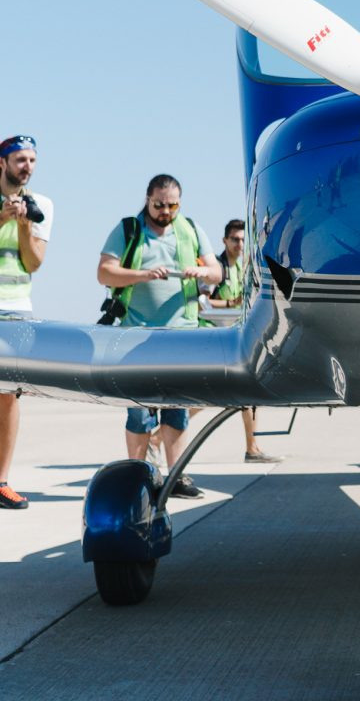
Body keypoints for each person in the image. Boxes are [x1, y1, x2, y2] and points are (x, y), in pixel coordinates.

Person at [97, 174, 222, 499]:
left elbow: (217, 271)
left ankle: (176, 476)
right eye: (159, 205)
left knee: (177, 410)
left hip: (181, 337)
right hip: (135, 338)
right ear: (147, 199)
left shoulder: (191, 229)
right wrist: (142, 275)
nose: (166, 211)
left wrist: (202, 272)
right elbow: (104, 272)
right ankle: (134, 476)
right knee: (138, 412)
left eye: (172, 205)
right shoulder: (129, 229)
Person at [0, 135, 53, 510]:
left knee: (7, 399)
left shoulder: (41, 206)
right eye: (20, 159)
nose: (28, 167)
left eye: (32, 160)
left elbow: (34, 262)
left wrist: (21, 225)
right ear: (2, 163)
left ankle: (1, 481)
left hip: (17, 309)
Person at [209, 219, 280, 463]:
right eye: (235, 239)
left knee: (246, 397)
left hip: (236, 337)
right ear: (225, 241)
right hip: (217, 339)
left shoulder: (241, 267)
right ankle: (252, 448)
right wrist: (232, 303)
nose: (239, 244)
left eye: (242, 239)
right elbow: (204, 301)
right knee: (214, 396)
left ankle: (253, 447)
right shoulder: (217, 268)